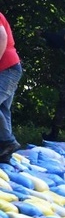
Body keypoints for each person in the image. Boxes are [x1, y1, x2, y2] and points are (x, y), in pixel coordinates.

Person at [0, 12, 22, 164]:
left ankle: (8, 141)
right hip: (10, 67)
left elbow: (2, 37)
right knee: (3, 109)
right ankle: (5, 154)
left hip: (7, 68)